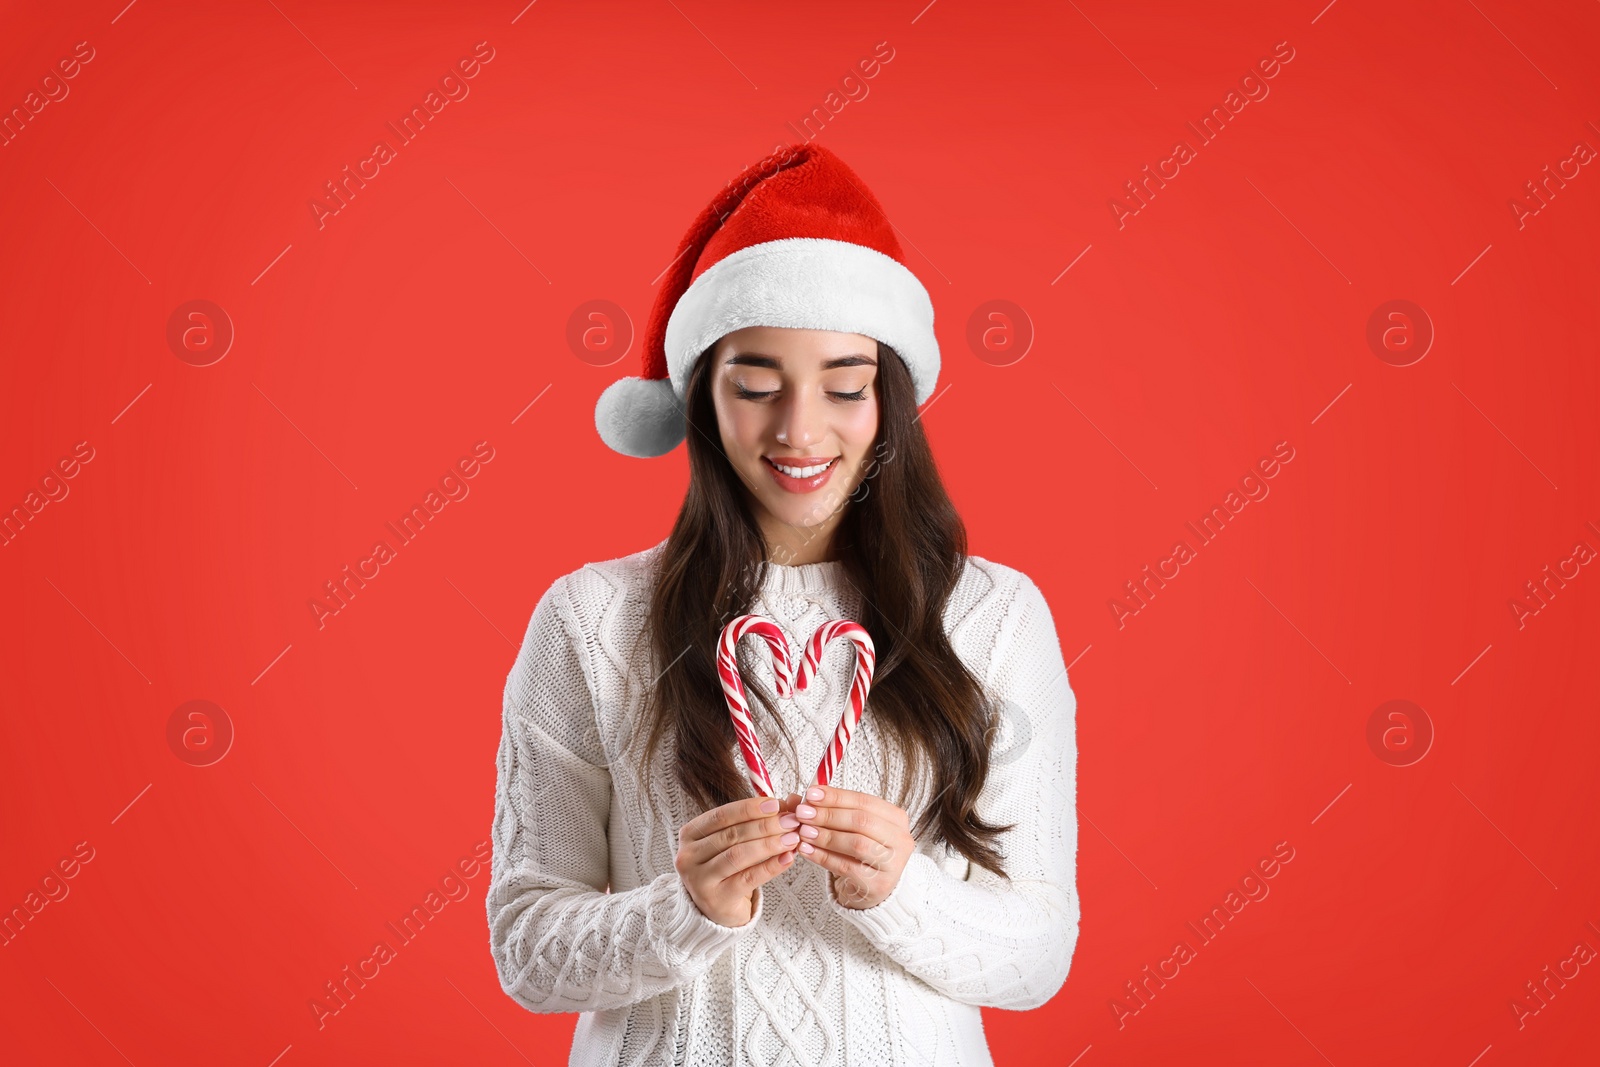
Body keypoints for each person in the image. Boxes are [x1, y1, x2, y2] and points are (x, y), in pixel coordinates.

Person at [487, 142, 1079, 1066]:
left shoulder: (995, 616)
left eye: (845, 386)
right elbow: (527, 948)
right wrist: (684, 907)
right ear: (700, 397)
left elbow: (1039, 955)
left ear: (889, 398)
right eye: (756, 385)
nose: (800, 430)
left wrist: (902, 890)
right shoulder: (590, 618)